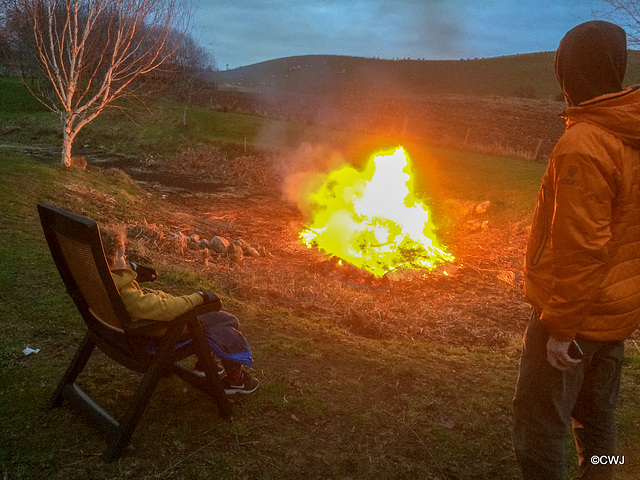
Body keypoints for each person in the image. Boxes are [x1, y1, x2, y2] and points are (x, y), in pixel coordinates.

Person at [512, 20, 640, 480]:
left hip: (577, 317)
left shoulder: (584, 144)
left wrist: (560, 328)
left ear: (569, 71)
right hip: (616, 313)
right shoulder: (630, 132)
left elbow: (582, 248)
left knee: (539, 423)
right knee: (599, 418)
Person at [100, 225, 259, 395]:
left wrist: (134, 270)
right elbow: (164, 309)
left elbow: (146, 299)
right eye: (123, 255)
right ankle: (235, 379)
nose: (126, 258)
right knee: (225, 320)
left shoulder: (102, 280)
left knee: (204, 317)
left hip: (126, 335)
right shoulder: (126, 294)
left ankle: (206, 365)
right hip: (160, 333)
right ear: (110, 259)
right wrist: (199, 297)